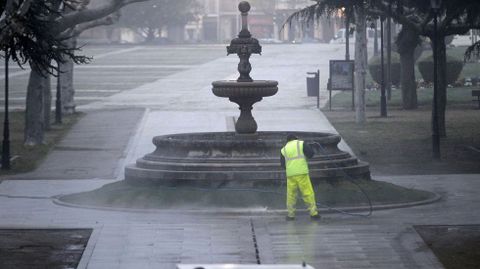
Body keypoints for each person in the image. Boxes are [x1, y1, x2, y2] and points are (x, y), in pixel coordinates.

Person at [280, 134, 320, 221]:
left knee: (291, 195)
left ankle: (290, 215)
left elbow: (283, 165)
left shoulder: (284, 149)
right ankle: (313, 214)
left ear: (287, 141)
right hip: (302, 173)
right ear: (296, 138)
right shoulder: (301, 143)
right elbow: (311, 154)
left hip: (290, 175)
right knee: (307, 193)